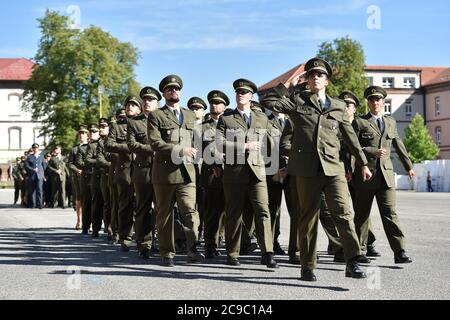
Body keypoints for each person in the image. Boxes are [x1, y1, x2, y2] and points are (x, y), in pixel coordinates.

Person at [261, 57, 372, 281]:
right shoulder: (297, 102)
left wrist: (363, 163)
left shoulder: (339, 106)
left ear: (326, 81)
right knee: (307, 218)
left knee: (343, 214)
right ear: (307, 80)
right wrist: (289, 84)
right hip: (306, 171)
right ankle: (308, 266)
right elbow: (269, 101)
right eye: (311, 75)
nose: (315, 78)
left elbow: (350, 137)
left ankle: (352, 261)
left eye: (319, 75)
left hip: (333, 169)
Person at [216, 78, 278, 268]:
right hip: (234, 174)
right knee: (234, 214)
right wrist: (243, 146)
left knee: (263, 212)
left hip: (257, 173)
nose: (240, 95)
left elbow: (272, 143)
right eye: (238, 92)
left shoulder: (262, 119)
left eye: (244, 92)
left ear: (251, 96)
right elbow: (218, 144)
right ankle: (232, 253)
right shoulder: (226, 119)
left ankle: (267, 252)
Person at [352, 85, 414, 264]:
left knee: (390, 214)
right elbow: (352, 147)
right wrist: (371, 151)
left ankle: (399, 251)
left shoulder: (390, 122)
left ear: (383, 102)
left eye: (378, 99)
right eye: (371, 100)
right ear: (368, 103)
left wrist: (408, 165)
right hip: (366, 175)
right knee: (362, 215)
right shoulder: (359, 122)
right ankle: (360, 251)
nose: (375, 103)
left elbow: (398, 144)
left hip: (386, 176)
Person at [147, 74, 204, 267]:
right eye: (170, 89)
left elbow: (197, 139)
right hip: (165, 173)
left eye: (176, 89)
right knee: (164, 214)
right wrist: (180, 150)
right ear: (164, 93)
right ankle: (167, 253)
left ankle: (192, 249)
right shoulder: (156, 115)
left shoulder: (189, 115)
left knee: (190, 211)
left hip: (187, 173)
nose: (174, 91)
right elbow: (155, 143)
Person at [127, 86, 161, 258]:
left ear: (157, 102)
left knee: (162, 209)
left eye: (151, 99)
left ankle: (160, 241)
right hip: (143, 172)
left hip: (162, 170)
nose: (147, 102)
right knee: (143, 209)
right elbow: (132, 144)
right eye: (145, 99)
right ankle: (144, 244)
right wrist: (152, 149)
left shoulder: (164, 118)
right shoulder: (134, 122)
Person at [106, 96, 141, 251]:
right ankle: (125, 238)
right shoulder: (117, 126)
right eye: (128, 105)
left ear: (139, 109)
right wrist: (130, 147)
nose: (130, 107)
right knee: (125, 206)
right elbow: (109, 145)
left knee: (143, 206)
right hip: (124, 172)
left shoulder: (144, 124)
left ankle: (143, 238)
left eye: (134, 105)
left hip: (142, 170)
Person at [200, 90, 229, 259]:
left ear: (225, 106)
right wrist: (213, 164)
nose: (214, 105)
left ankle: (224, 241)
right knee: (212, 212)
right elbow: (200, 151)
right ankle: (210, 245)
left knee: (228, 211)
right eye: (212, 103)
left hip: (232, 173)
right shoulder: (203, 127)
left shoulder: (232, 124)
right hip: (212, 175)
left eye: (218, 103)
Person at [68, 126, 89, 230]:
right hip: (78, 178)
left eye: (84, 133)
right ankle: (79, 221)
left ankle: (88, 222)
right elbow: (70, 164)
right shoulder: (75, 149)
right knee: (79, 200)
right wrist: (77, 170)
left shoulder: (91, 146)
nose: (81, 135)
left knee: (89, 200)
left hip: (90, 176)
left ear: (87, 135)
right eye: (80, 133)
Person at [24, 143, 46, 209]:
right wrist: (32, 169)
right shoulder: (29, 157)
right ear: (32, 149)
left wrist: (42, 173)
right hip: (32, 175)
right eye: (34, 148)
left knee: (40, 190)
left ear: (38, 148)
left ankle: (39, 204)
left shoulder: (42, 156)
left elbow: (44, 166)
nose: (35, 149)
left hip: (40, 175)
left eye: (36, 148)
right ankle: (33, 204)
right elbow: (26, 166)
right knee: (32, 190)